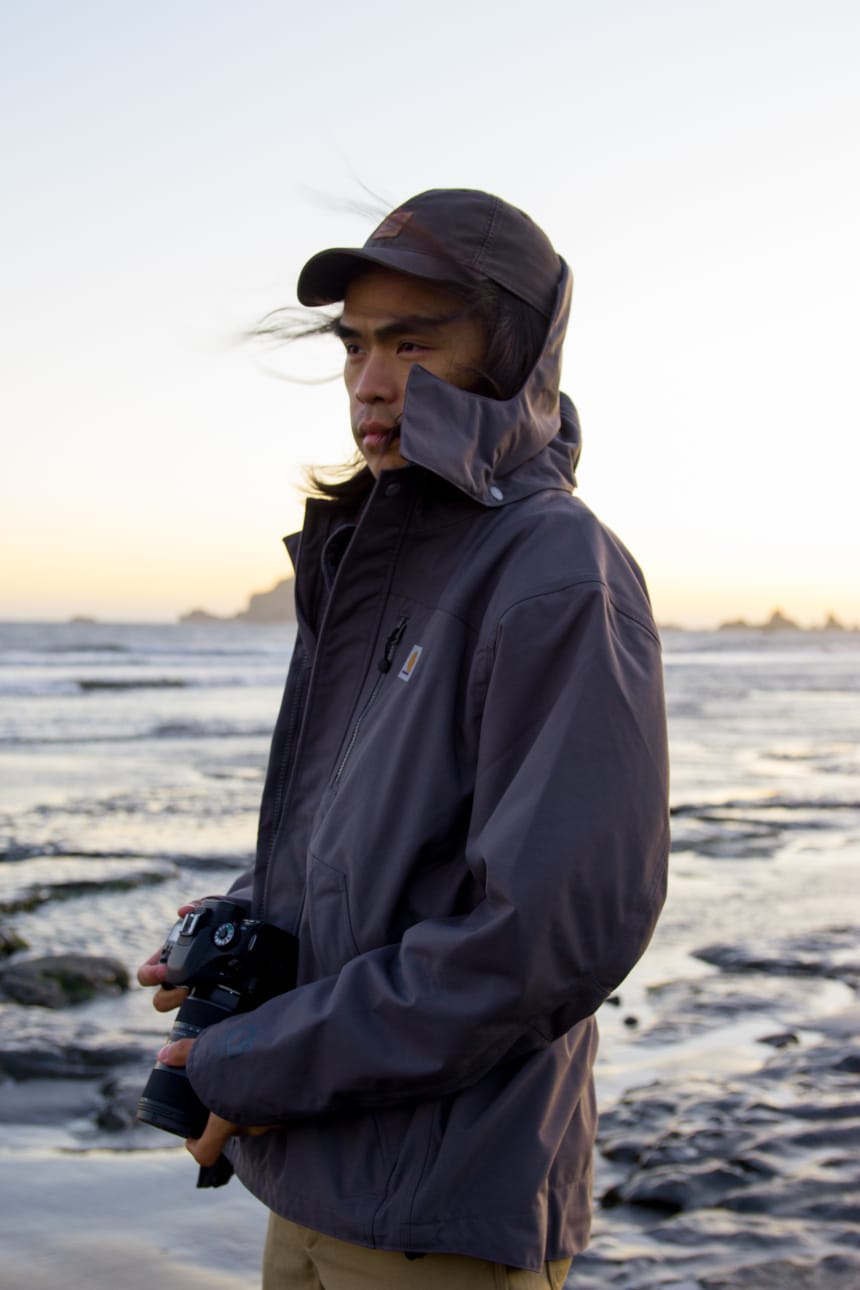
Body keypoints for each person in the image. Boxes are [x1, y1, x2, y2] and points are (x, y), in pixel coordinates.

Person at [139, 188, 670, 1288]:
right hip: (309, 1173)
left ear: (513, 352)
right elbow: (374, 837)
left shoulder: (554, 571)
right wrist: (249, 920)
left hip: (441, 1214)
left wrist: (252, 1063)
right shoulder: (378, 560)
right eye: (355, 349)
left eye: (414, 343)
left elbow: (539, 943)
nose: (370, 386)